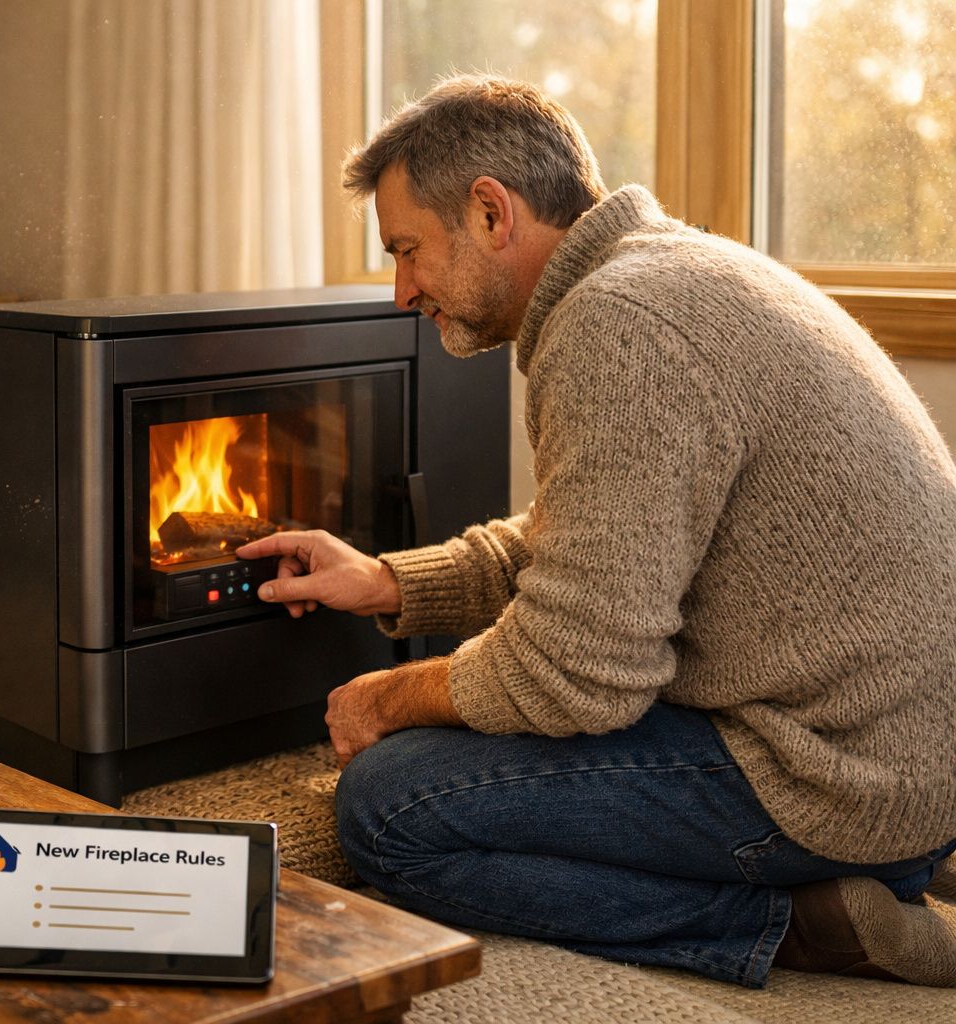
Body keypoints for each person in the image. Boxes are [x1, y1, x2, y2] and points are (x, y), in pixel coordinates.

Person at [236, 74, 956, 988]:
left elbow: (578, 673)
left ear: (492, 212)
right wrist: (389, 581)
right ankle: (870, 866)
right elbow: (584, 547)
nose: (400, 290)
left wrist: (386, 699)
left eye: (408, 250)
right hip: (895, 742)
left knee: (389, 806)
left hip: (835, 772)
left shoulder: (617, 327)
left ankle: (791, 922)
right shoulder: (674, 274)